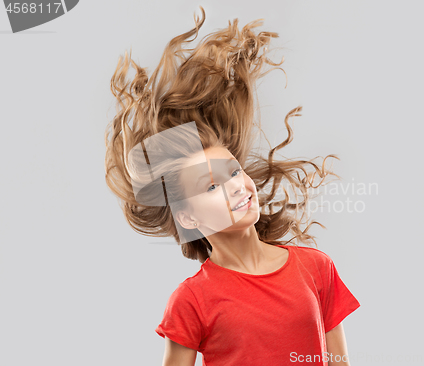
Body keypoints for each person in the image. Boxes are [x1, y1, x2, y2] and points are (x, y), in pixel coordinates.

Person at [104, 6, 360, 366]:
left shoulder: (316, 268)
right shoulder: (191, 301)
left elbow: (339, 362)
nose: (238, 186)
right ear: (188, 217)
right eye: (211, 187)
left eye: (235, 172)